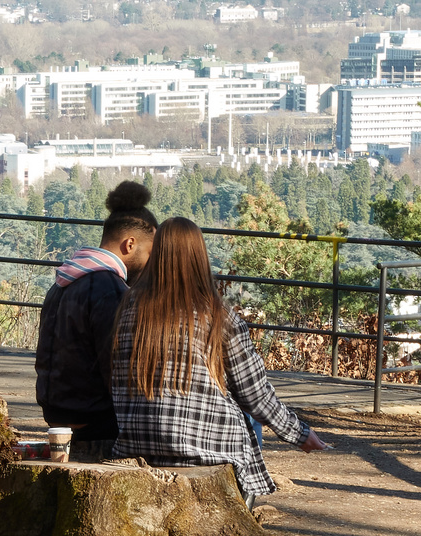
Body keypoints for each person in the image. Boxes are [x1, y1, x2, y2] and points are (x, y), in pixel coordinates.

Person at [109, 217, 330, 501]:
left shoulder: (127, 310)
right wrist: (299, 433)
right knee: (247, 411)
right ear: (199, 257)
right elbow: (256, 396)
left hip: (136, 445)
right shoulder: (218, 316)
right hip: (207, 449)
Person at [34, 180, 158, 452]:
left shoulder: (63, 282)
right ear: (130, 244)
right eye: (150, 253)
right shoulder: (109, 289)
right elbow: (117, 368)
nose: (151, 263)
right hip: (98, 423)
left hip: (59, 415)